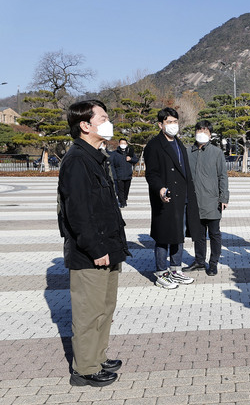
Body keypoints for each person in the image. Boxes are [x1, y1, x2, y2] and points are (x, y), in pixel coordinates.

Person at [57, 100, 130, 387]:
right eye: (103, 118)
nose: (108, 122)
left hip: (108, 247)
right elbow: (77, 213)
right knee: (88, 313)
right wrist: (96, 249)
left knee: (104, 308)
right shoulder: (76, 160)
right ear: (85, 125)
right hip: (91, 253)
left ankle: (97, 357)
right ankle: (85, 369)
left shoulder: (96, 157)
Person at [143, 107, 202, 289]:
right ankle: (161, 272)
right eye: (169, 122)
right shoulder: (154, 146)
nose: (173, 125)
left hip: (182, 196)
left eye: (175, 122)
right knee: (163, 235)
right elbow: (151, 173)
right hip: (165, 196)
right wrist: (160, 188)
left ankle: (175, 269)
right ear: (160, 124)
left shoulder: (179, 144)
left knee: (179, 234)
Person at [184, 120, 229, 276]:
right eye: (199, 131)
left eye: (205, 131)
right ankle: (199, 261)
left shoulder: (216, 153)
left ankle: (213, 262)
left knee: (215, 233)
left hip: (212, 200)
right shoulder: (187, 152)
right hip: (193, 201)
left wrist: (224, 197)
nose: (201, 134)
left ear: (210, 134)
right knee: (198, 234)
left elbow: (223, 176)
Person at [110, 138, 139, 207]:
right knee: (120, 190)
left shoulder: (129, 152)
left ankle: (124, 199)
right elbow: (112, 165)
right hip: (119, 175)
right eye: (121, 143)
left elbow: (136, 160)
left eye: (124, 143)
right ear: (119, 144)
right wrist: (114, 175)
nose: (123, 144)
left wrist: (131, 159)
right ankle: (122, 202)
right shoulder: (115, 153)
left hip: (128, 175)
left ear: (126, 144)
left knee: (126, 190)